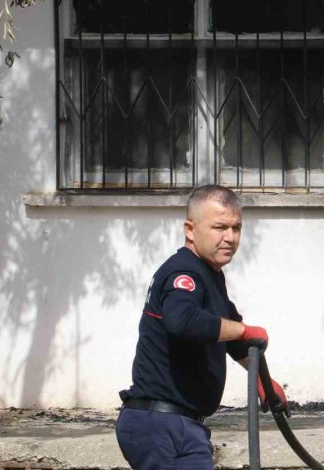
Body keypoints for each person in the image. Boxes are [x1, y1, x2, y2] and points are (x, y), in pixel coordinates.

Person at [115, 185, 288, 469]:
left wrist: (263, 381)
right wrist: (245, 332)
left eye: (236, 228)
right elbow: (182, 321)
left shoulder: (210, 277)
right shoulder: (183, 272)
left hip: (182, 426)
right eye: (219, 227)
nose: (230, 237)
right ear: (190, 230)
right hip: (161, 425)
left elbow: (231, 337)